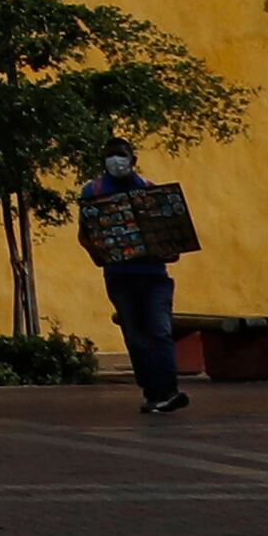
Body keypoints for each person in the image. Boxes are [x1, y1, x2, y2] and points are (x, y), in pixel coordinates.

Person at [86, 139, 191, 415]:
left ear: (133, 160)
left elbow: (172, 236)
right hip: (120, 278)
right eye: (111, 156)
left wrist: (170, 249)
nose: (116, 161)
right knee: (135, 338)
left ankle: (169, 390)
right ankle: (152, 391)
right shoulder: (93, 192)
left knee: (160, 330)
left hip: (154, 276)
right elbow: (86, 235)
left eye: (121, 156)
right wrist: (98, 254)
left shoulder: (150, 191)